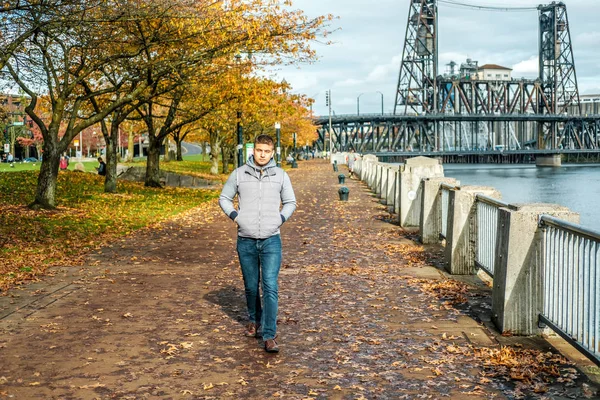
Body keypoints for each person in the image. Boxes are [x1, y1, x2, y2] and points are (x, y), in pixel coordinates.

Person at [219, 134, 296, 353]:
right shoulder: (239, 174)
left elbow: (290, 202)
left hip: (272, 239)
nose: (262, 154)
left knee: (270, 286)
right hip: (246, 240)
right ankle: (254, 320)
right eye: (259, 150)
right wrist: (236, 216)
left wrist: (279, 219)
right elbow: (224, 198)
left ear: (272, 152)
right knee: (252, 287)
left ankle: (269, 334)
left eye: (267, 151)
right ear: (253, 150)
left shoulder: (281, 175)